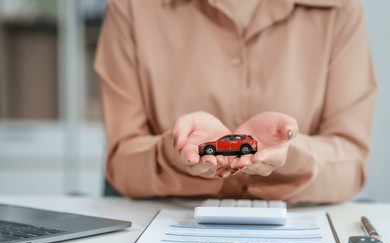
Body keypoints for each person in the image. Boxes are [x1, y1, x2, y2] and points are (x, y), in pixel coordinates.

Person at [94, 0, 377, 203]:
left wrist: (290, 154)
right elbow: (122, 164)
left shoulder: (340, 10)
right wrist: (177, 150)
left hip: (300, 230)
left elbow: (351, 168)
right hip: (170, 226)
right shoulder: (130, 7)